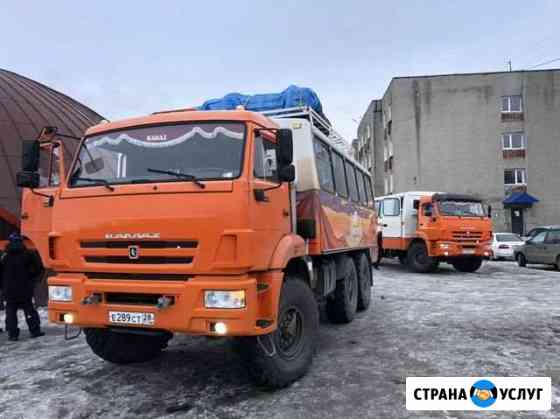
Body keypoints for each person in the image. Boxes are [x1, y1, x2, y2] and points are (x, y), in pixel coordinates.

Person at [1, 233, 45, 341]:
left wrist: (2, 285)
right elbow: (39, 268)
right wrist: (32, 278)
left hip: (9, 289)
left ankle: (12, 334)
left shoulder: (4, 257)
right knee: (29, 310)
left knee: (10, 312)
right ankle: (35, 331)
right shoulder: (28, 254)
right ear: (21, 241)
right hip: (25, 288)